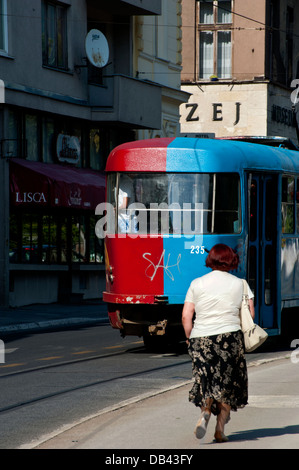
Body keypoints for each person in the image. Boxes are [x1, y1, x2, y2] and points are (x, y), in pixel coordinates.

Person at [182, 243, 254, 443]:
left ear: (210, 259)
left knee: (206, 381)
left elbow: (186, 316)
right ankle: (220, 430)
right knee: (228, 386)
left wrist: (190, 338)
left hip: (201, 338)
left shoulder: (197, 283)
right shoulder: (241, 284)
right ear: (231, 260)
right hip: (230, 338)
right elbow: (250, 314)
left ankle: (205, 410)